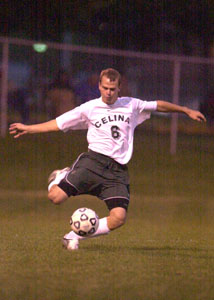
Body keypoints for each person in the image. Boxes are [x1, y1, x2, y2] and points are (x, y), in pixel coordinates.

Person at [9, 68, 206, 251]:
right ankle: (59, 176)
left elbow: (159, 105)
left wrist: (186, 110)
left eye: (113, 88)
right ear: (99, 86)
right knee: (55, 198)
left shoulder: (131, 104)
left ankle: (72, 236)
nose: (109, 92)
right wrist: (29, 128)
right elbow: (59, 123)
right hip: (92, 163)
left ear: (119, 88)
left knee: (119, 218)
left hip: (117, 172)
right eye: (105, 88)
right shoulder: (90, 108)